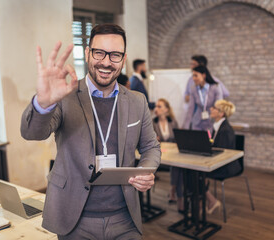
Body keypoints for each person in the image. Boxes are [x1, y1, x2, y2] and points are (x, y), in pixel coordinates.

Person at [20, 23, 161, 239]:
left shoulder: (137, 101)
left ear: (123, 59)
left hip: (124, 217)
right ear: (87, 53)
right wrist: (43, 103)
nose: (106, 62)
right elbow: (32, 133)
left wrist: (145, 170)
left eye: (115, 55)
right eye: (99, 53)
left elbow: (150, 146)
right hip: (74, 218)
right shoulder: (65, 95)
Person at [205, 99, 241, 214]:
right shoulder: (217, 127)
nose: (211, 109)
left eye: (214, 108)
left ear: (221, 113)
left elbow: (221, 154)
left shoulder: (225, 130)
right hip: (219, 162)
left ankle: (210, 201)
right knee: (194, 172)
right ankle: (203, 202)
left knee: (196, 174)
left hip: (226, 166)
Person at [152, 98, 183, 213]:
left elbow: (178, 139)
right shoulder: (152, 122)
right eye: (156, 106)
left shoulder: (173, 122)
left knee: (178, 165)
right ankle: (177, 195)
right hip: (159, 157)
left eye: (159, 106)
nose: (156, 109)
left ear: (166, 109)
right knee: (178, 166)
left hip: (172, 155)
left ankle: (175, 193)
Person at [182, 65, 222, 131]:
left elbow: (218, 106)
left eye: (196, 75)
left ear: (203, 75)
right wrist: (185, 127)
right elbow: (190, 109)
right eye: (193, 76)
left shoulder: (215, 87)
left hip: (211, 122)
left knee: (209, 140)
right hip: (197, 122)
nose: (193, 78)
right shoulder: (193, 89)